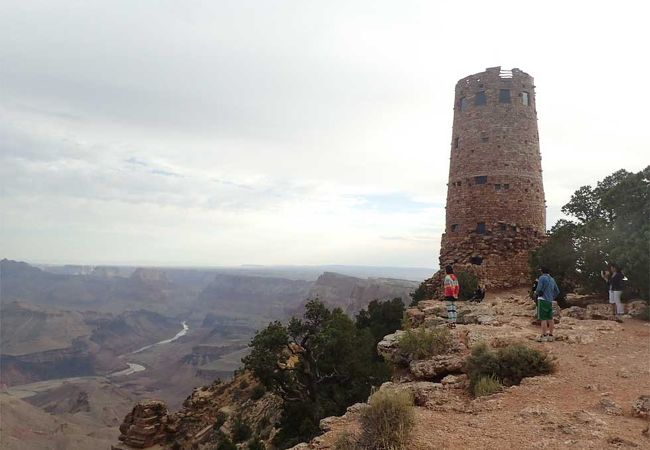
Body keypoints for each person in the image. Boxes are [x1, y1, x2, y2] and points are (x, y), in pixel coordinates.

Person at [535, 266, 560, 342]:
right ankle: (551, 335)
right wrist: (551, 297)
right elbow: (557, 291)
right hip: (549, 301)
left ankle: (544, 335)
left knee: (543, 318)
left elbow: (538, 289)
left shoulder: (542, 278)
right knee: (550, 318)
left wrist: (535, 293)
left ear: (542, 271)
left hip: (542, 300)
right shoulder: (552, 279)